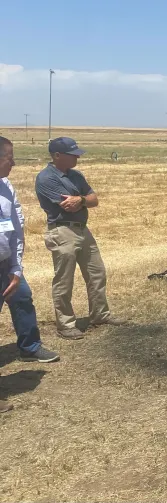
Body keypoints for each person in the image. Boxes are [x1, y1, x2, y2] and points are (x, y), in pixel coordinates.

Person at [35, 137, 125, 340]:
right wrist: (83, 200)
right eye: (72, 154)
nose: (77, 157)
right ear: (57, 155)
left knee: (97, 273)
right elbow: (67, 205)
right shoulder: (46, 178)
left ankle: (100, 315)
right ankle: (66, 325)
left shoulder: (76, 175)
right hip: (62, 231)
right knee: (64, 280)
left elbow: (94, 200)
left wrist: (82, 199)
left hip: (82, 229)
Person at [0, 137, 59, 414]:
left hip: (6, 266)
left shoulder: (6, 186)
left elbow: (15, 228)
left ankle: (29, 347)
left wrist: (15, 267)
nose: (13, 162)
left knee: (22, 297)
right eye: (9, 156)